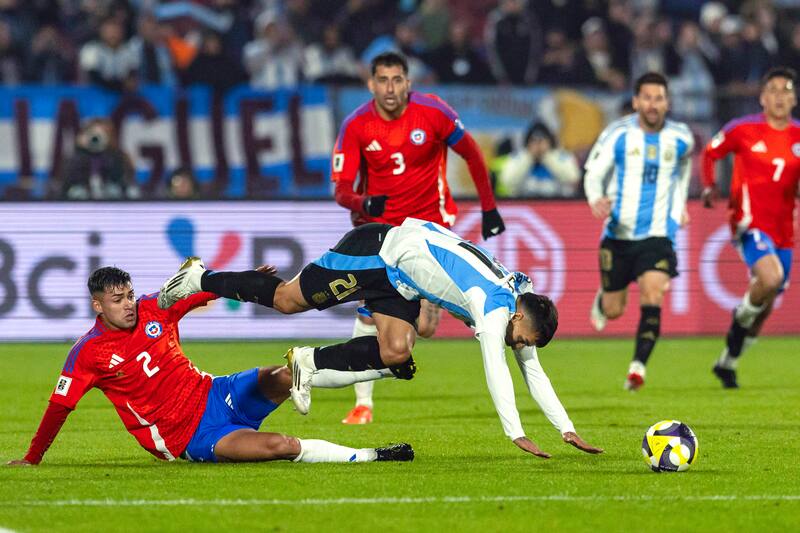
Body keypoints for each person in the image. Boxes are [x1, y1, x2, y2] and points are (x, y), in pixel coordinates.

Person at [157, 219, 603, 459]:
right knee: (287, 299)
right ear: (521, 314)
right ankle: (202, 276)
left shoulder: (516, 301)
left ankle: (306, 363)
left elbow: (532, 369)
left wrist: (567, 429)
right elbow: (496, 368)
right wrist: (516, 433)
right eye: (523, 338)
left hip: (401, 280)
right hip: (375, 251)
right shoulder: (494, 307)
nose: (519, 345)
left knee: (396, 352)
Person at [7, 267, 413, 466]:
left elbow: (201, 286)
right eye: (118, 300)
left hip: (216, 392)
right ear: (98, 306)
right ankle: (373, 455)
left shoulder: (154, 307)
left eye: (129, 295)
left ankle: (384, 365)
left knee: (289, 372)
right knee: (281, 446)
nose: (129, 304)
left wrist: (250, 279)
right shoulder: (88, 353)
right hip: (188, 435)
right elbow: (59, 407)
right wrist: (32, 457)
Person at [331, 51, 505, 424]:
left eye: (397, 80)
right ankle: (363, 404)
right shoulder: (356, 125)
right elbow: (341, 189)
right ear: (371, 84)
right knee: (369, 315)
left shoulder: (433, 111)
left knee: (423, 329)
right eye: (383, 80)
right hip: (380, 235)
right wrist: (365, 202)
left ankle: (415, 319)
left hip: (430, 231)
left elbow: (472, 155)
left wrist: (489, 208)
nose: (390, 88)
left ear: (408, 83)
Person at [583, 72, 695, 391]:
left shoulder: (681, 137)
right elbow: (594, 172)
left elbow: (684, 168)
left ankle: (637, 368)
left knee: (653, 292)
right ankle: (604, 296)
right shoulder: (617, 134)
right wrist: (595, 198)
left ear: (667, 102)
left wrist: (680, 205)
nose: (652, 104)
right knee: (613, 311)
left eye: (658, 98)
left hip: (658, 236)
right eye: (646, 98)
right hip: (618, 235)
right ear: (635, 101)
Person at [701, 66, 800, 389]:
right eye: (773, 89)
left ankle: (727, 362)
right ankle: (740, 315)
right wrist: (708, 185)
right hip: (748, 222)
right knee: (769, 278)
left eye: (786, 90)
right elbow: (710, 153)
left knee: (765, 305)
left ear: (794, 98)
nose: (780, 96)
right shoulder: (742, 129)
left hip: (784, 229)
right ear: (762, 97)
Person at [498, 121, 580, 198]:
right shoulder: (518, 157)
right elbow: (507, 181)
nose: (538, 145)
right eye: (533, 141)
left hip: (557, 202)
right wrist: (529, 157)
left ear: (550, 141)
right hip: (524, 201)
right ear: (527, 142)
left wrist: (547, 157)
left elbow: (573, 178)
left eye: (542, 140)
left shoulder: (561, 156)